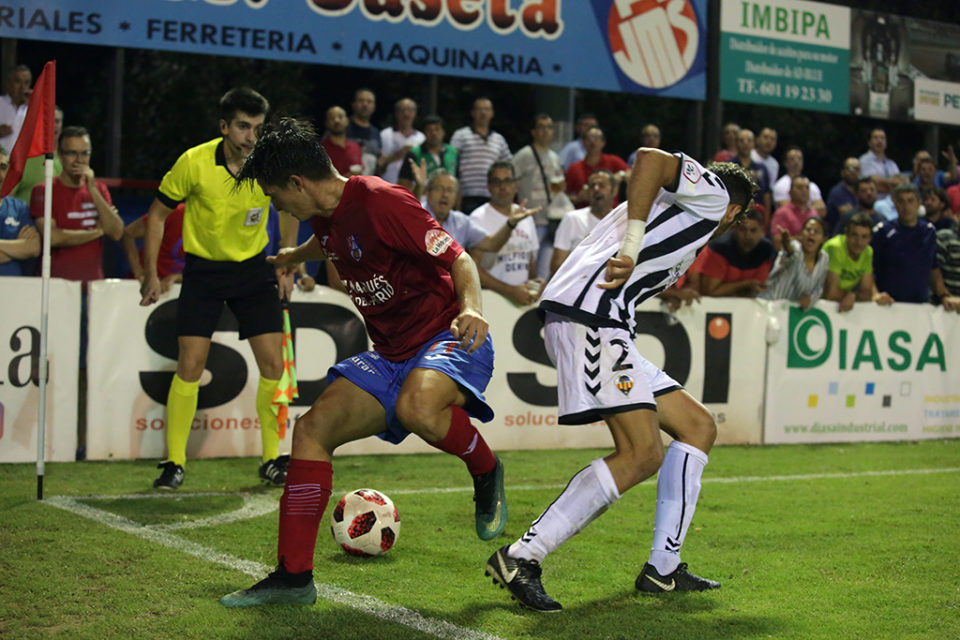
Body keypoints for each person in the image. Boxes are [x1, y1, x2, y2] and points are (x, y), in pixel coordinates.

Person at [220, 118, 507, 607]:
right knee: (311, 431)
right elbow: (330, 239)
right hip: (392, 355)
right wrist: (297, 253)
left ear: (298, 183)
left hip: (449, 337)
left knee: (419, 408)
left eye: (275, 196)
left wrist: (472, 308)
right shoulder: (323, 215)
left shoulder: (382, 200)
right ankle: (294, 578)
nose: (276, 206)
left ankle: (486, 468)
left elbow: (458, 258)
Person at [484, 150, 757, 611]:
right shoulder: (711, 197)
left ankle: (662, 569)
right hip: (592, 320)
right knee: (642, 453)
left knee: (697, 427)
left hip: (606, 324)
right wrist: (631, 245)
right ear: (736, 211)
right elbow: (650, 158)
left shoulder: (679, 211)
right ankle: (521, 556)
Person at [139, 87, 295, 490]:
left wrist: (287, 260)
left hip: (254, 271)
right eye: (243, 127)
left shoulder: (269, 164)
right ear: (224, 126)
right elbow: (156, 215)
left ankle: (272, 459)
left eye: (258, 128)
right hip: (204, 272)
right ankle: (174, 462)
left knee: (273, 366)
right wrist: (151, 272)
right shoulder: (194, 162)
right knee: (190, 365)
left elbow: (292, 206)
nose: (251, 137)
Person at [29, 126, 124, 287]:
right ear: (60, 154)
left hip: (93, 286)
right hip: (56, 287)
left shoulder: (99, 189)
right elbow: (52, 238)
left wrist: (92, 189)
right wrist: (98, 232)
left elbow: (116, 232)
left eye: (85, 153)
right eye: (72, 153)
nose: (79, 160)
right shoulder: (44, 190)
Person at [468, 162, 542, 306]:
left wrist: (534, 285)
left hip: (522, 299)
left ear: (516, 185)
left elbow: (530, 260)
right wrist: (510, 291)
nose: (503, 186)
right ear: (488, 186)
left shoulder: (526, 215)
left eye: (507, 180)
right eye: (497, 181)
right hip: (492, 301)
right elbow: (473, 267)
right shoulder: (478, 217)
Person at [512, 114, 573, 279]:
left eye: (549, 127)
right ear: (534, 131)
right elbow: (511, 179)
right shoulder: (525, 154)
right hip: (531, 219)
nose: (545, 131)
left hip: (551, 219)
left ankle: (540, 302)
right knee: (527, 268)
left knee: (544, 272)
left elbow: (559, 185)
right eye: (541, 127)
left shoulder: (554, 156)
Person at [422, 169, 534, 252]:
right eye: (439, 189)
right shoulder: (417, 215)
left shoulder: (462, 222)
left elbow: (492, 244)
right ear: (427, 192)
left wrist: (510, 223)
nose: (445, 195)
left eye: (450, 190)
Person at [871, 183, 947, 305]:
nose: (906, 206)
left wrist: (944, 296)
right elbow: (869, 269)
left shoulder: (929, 231)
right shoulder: (882, 231)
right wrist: (875, 294)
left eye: (910, 201)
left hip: (920, 305)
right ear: (895, 204)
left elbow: (933, 268)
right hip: (888, 305)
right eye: (901, 201)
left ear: (918, 204)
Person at [692, 208, 774, 298]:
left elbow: (756, 289)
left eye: (753, 230)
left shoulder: (766, 249)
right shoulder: (719, 247)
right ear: (734, 229)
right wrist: (747, 284)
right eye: (742, 229)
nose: (747, 236)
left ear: (762, 231)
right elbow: (710, 292)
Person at [450, 97, 512, 213]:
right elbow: (450, 163)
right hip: (466, 196)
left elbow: (508, 166)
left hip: (493, 196)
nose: (483, 113)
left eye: (487, 109)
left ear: (492, 113)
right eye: (480, 109)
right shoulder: (461, 135)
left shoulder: (499, 139)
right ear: (473, 113)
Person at [550, 169, 615, 276]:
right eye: (592, 186)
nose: (596, 189)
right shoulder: (573, 218)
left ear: (614, 190)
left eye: (601, 185)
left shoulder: (621, 221)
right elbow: (557, 265)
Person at [823, 212, 892, 312]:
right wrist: (853, 296)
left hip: (841, 307)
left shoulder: (868, 252)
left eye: (864, 237)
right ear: (846, 233)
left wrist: (877, 297)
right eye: (854, 235)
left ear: (870, 238)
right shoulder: (835, 248)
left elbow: (867, 291)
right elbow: (831, 294)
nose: (859, 242)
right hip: (818, 305)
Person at [759, 219, 829, 308]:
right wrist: (786, 243)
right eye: (808, 230)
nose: (811, 233)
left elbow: (819, 288)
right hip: (769, 305)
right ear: (801, 234)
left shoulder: (824, 258)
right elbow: (790, 252)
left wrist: (811, 299)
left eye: (816, 231)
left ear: (823, 239)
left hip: (792, 312)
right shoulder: (795, 247)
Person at [122, 203, 185, 288]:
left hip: (182, 286)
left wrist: (178, 277)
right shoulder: (176, 214)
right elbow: (128, 234)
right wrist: (140, 274)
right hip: (143, 286)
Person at [397, 114, 459, 200]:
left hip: (447, 203)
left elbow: (458, 184)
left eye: (437, 129)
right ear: (424, 133)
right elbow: (403, 184)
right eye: (429, 130)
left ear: (443, 132)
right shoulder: (414, 154)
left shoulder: (453, 152)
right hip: (422, 203)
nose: (433, 133)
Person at [565, 126, 629, 207]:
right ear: (583, 142)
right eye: (589, 138)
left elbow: (633, 173)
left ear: (603, 142)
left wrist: (621, 174)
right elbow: (563, 196)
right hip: (584, 216)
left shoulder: (613, 161)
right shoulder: (574, 168)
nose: (592, 141)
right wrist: (578, 198)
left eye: (597, 138)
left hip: (610, 215)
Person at [0, 146, 40, 276]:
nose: (0, 173)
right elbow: (25, 248)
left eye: (3, 167)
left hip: (16, 290)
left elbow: (33, 248)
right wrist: (17, 249)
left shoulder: (19, 208)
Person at [11, 106, 63, 204]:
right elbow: (6, 197)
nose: (53, 125)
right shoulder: (25, 159)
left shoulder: (69, 157)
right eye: (49, 120)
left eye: (57, 121)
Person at [378, 98, 424, 184]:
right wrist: (398, 154)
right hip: (387, 184)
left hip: (411, 188)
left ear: (415, 113)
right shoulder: (385, 134)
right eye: (402, 111)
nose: (406, 114)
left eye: (410, 110)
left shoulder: (421, 138)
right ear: (396, 113)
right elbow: (378, 164)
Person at [731, 128, 772, 220]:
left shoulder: (762, 169)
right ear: (736, 143)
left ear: (754, 143)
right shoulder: (729, 167)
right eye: (741, 140)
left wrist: (766, 220)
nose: (745, 143)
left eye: (749, 140)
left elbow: (767, 196)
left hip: (757, 216)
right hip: (734, 215)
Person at [772, 147, 825, 215]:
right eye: (792, 159)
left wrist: (803, 210)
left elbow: (822, 210)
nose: (796, 162)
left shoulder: (812, 185)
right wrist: (811, 209)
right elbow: (787, 210)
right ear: (786, 163)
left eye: (799, 159)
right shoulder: (780, 185)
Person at [770, 176, 818, 251]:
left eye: (807, 188)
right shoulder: (782, 213)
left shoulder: (814, 213)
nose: (804, 191)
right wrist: (802, 239)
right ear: (790, 192)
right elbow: (777, 244)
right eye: (800, 187)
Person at [320, 106, 363, 177]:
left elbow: (359, 170)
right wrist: (346, 177)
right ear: (326, 123)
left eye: (340, 117)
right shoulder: (321, 149)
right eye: (332, 118)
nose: (337, 120)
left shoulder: (355, 147)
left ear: (347, 121)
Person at [345, 88, 380, 175]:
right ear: (353, 104)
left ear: (374, 107)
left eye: (369, 101)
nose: (365, 104)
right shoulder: (342, 127)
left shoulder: (376, 133)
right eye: (361, 100)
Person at [858, 128, 900, 197]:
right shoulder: (864, 160)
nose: (879, 141)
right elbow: (873, 185)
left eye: (882, 138)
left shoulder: (892, 164)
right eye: (875, 138)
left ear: (886, 142)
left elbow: (900, 184)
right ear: (869, 142)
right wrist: (893, 184)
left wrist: (884, 183)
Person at [0, 65, 31, 153]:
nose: (22, 87)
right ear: (8, 83)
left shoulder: (32, 109)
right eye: (18, 81)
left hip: (24, 163)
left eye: (26, 82)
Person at [825, 157, 861, 231]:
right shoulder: (837, 192)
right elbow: (850, 217)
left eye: (856, 169)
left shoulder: (860, 191)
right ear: (843, 172)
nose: (853, 172)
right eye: (850, 168)